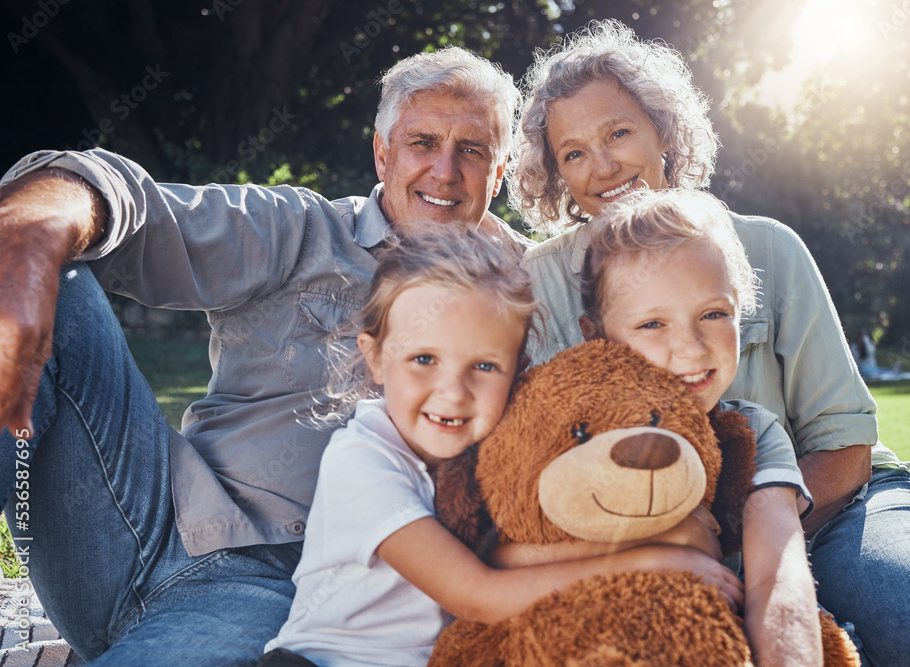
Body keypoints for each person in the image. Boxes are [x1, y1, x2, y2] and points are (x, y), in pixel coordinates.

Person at [0, 47, 530, 665]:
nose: (444, 171)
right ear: (382, 152)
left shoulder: (529, 290)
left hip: (278, 590)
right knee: (40, 267)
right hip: (140, 524)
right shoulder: (297, 229)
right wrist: (27, 250)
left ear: (499, 172)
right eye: (422, 142)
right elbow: (125, 201)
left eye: (472, 149)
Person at [508, 19, 910, 666]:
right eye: (573, 153)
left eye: (618, 133)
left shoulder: (768, 246)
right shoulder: (538, 283)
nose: (602, 167)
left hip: (841, 511)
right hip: (647, 548)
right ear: (556, 175)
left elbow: (846, 446)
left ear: (664, 130)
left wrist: (744, 540)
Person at [255, 231, 725, 667]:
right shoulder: (360, 461)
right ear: (376, 357)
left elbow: (512, 554)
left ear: (518, 371)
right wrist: (651, 556)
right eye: (424, 359)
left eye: (483, 365)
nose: (453, 392)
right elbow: (476, 592)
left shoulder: (493, 451)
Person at [582, 188, 821, 663]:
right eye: (653, 324)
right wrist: (650, 559)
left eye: (714, 314)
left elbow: (778, 578)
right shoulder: (570, 429)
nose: (690, 348)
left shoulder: (752, 432)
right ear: (598, 337)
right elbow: (503, 562)